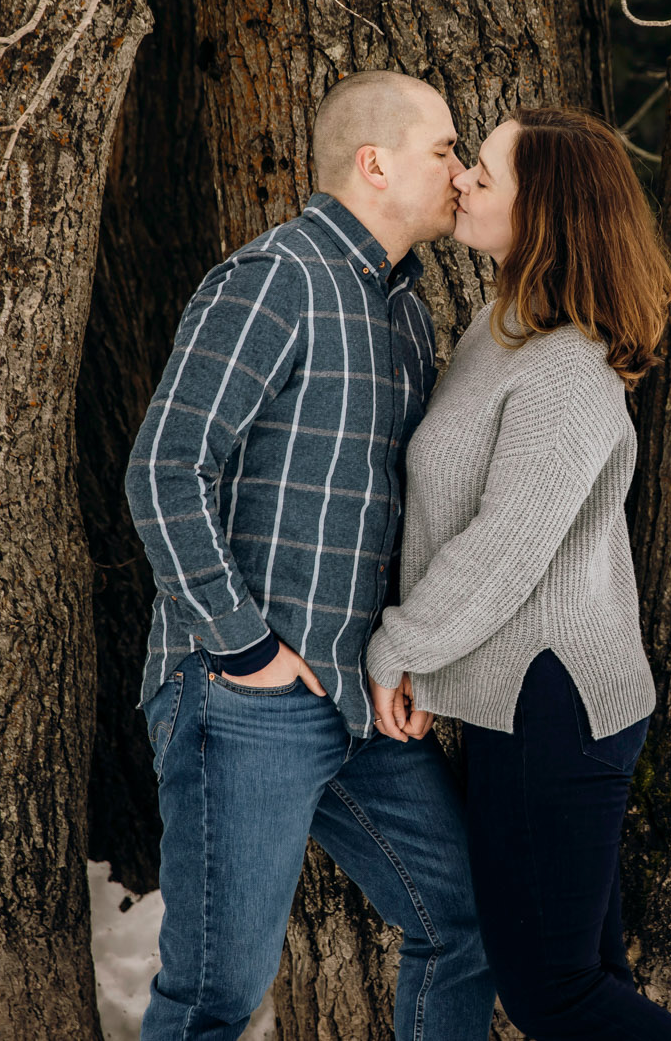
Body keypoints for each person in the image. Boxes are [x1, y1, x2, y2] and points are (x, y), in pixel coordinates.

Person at [126, 72, 492, 1041]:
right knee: (213, 994)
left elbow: (390, 511)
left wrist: (394, 654)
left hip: (355, 704)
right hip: (247, 695)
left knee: (462, 922)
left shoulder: (405, 314)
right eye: (444, 148)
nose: (462, 169)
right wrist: (245, 650)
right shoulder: (275, 278)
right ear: (373, 163)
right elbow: (165, 469)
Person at [363, 106, 671, 1040]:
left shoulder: (565, 370)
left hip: (556, 708)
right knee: (587, 976)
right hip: (521, 698)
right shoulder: (502, 328)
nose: (465, 179)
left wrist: (403, 648)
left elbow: (506, 547)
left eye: (486, 171)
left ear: (543, 212)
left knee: (555, 992)